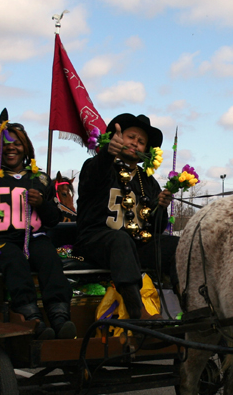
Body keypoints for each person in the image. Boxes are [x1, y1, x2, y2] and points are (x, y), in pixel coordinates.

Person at [0, 120, 74, 340]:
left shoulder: (39, 178)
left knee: (49, 257)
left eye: (17, 144)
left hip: (32, 238)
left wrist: (42, 203)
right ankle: (31, 316)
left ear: (26, 148)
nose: (12, 148)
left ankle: (60, 316)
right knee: (14, 260)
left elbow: (53, 219)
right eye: (6, 144)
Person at [73, 113, 179, 319]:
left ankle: (188, 304)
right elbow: (91, 179)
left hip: (136, 245)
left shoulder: (148, 181)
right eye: (130, 137)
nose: (135, 144)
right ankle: (137, 313)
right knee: (120, 239)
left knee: (177, 246)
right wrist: (106, 154)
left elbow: (155, 228)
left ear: (146, 151)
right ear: (118, 139)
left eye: (141, 142)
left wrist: (160, 208)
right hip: (96, 241)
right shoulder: (96, 165)